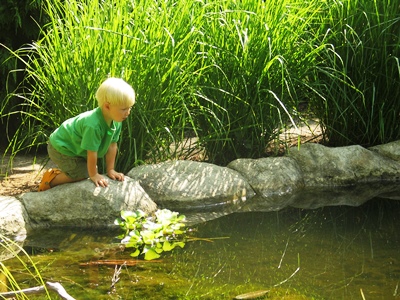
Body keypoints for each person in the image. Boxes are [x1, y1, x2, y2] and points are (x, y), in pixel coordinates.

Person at [38, 77, 135, 191]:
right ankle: (50, 180)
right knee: (84, 174)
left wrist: (110, 170)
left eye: (130, 108)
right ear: (107, 106)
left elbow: (112, 145)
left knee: (88, 169)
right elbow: (92, 152)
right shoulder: (93, 125)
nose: (128, 112)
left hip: (76, 148)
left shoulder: (116, 120)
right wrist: (93, 175)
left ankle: (68, 171)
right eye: (124, 109)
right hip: (61, 147)